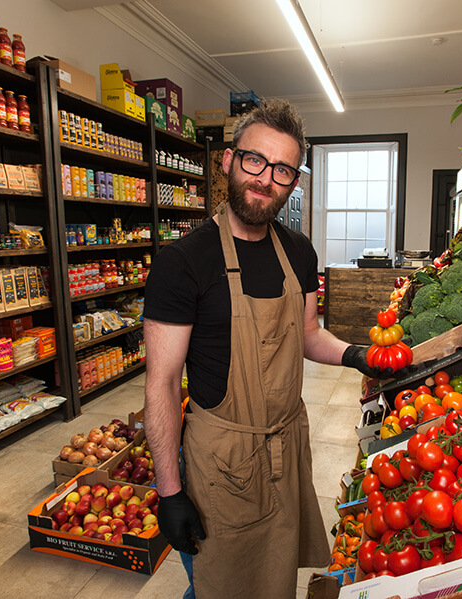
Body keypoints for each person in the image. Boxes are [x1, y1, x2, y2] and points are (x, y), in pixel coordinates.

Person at [142, 98, 384, 599]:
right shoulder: (183, 262)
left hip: (285, 448)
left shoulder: (298, 251)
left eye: (282, 170)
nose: (264, 178)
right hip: (220, 463)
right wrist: (169, 491)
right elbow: (162, 383)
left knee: (273, 578)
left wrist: (358, 354)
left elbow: (309, 335)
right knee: (219, 585)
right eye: (255, 160)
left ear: (294, 182)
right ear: (228, 161)